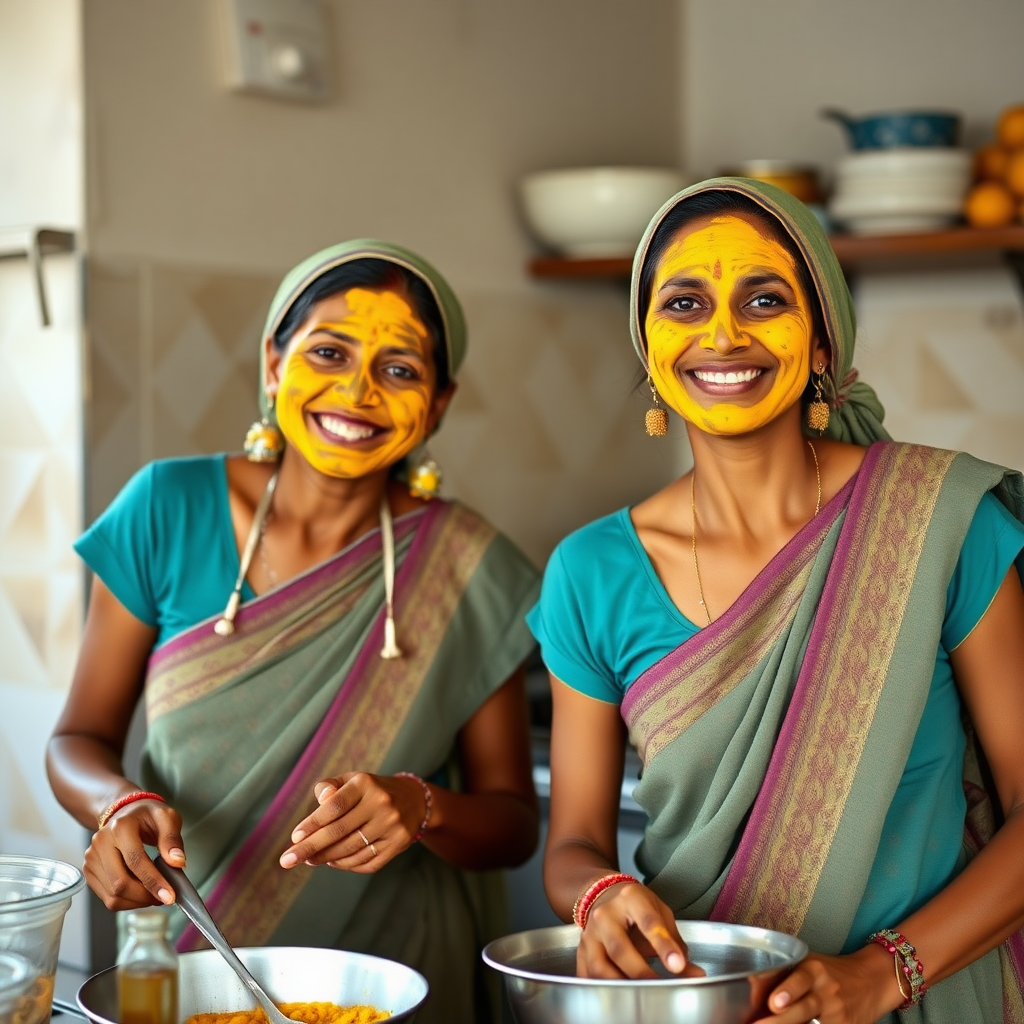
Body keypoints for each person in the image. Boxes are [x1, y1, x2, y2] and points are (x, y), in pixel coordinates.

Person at [528, 178, 1024, 1023]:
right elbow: (572, 842)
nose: (722, 333)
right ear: (648, 346)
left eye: (765, 298)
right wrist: (599, 893)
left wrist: (877, 977)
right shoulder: (591, 570)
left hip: (926, 998)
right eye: (684, 303)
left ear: (824, 345)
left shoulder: (939, 524)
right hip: (703, 1000)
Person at [47, 240, 541, 1024]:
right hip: (185, 960)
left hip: (391, 981)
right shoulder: (166, 508)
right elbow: (75, 740)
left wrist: (421, 807)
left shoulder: (473, 568)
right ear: (273, 365)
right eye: (329, 352)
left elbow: (513, 822)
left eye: (400, 369)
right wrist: (117, 807)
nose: (358, 391)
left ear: (439, 405)